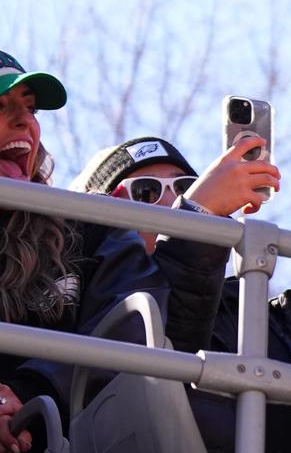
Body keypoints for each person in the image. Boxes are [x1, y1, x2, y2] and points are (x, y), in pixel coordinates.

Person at [72, 136, 291, 453]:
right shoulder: (69, 307)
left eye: (185, 190)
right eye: (146, 192)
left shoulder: (276, 324)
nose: (170, 202)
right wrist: (197, 214)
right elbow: (147, 361)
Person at [0, 51, 168, 452]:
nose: (24, 121)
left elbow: (131, 320)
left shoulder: (85, 226)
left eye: (30, 107)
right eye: (1, 105)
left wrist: (26, 393)